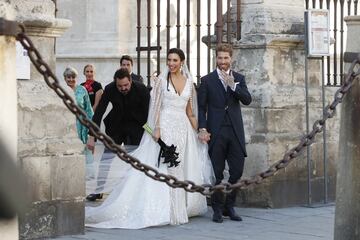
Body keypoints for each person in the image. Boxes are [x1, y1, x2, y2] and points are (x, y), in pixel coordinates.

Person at [85, 48, 214, 229]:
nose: (171, 63)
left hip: (174, 128)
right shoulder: (161, 81)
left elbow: (189, 112)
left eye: (175, 60)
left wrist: (200, 129)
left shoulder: (186, 83)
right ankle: (170, 209)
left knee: (180, 164)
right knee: (165, 165)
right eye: (169, 59)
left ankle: (183, 205)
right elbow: (156, 107)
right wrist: (157, 128)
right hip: (150, 128)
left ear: (182, 62)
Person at [197, 43, 252, 223]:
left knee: (237, 170)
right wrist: (203, 128)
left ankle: (230, 206)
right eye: (220, 58)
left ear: (231, 58)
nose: (222, 61)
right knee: (217, 173)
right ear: (216, 58)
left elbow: (247, 100)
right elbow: (201, 107)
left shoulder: (239, 78)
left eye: (226, 58)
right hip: (216, 131)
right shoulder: (206, 80)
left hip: (235, 131)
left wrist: (232, 84)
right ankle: (217, 209)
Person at [86, 68, 150, 201]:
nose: (123, 88)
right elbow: (99, 112)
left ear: (131, 80)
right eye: (120, 86)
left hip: (136, 127)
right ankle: (99, 191)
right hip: (116, 126)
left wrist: (150, 133)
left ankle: (132, 191)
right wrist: (92, 136)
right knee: (106, 158)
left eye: (126, 85)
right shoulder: (109, 88)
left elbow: (148, 114)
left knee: (133, 160)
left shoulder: (141, 89)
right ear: (115, 83)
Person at [63, 67, 95, 181]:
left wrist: (91, 129)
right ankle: (72, 174)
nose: (71, 79)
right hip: (68, 125)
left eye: (73, 77)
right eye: (68, 77)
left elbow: (89, 109)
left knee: (86, 149)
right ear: (64, 78)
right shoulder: (62, 90)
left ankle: (88, 175)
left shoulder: (82, 89)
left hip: (82, 124)